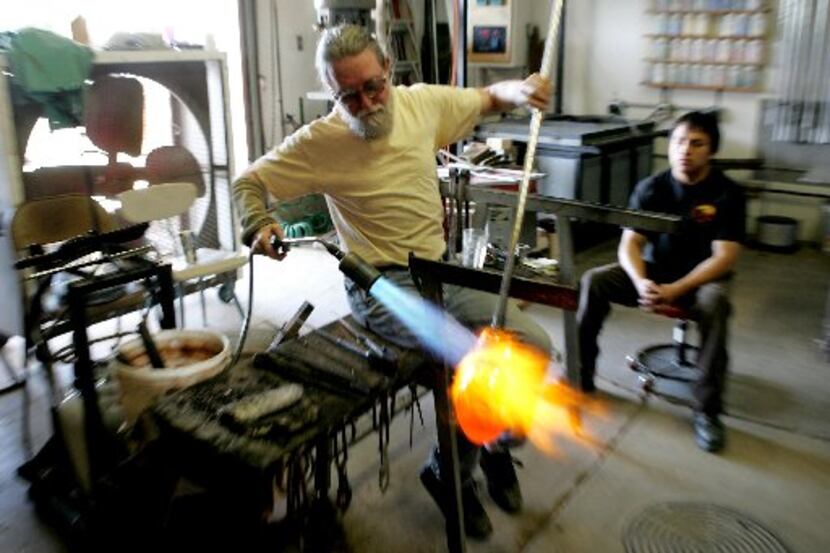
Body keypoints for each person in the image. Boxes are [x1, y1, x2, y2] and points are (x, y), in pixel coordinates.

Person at [232, 24, 553, 539]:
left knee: (534, 345)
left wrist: (520, 90)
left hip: (439, 272)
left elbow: (490, 97)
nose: (366, 103)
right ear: (332, 93)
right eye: (348, 96)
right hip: (379, 286)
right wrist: (258, 222)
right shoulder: (321, 141)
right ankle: (449, 475)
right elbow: (248, 181)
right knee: (470, 360)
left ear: (388, 71)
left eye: (373, 87)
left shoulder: (421, 104)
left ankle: (490, 444)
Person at [576, 111, 746, 453]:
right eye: (679, 141)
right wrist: (641, 282)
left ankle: (707, 412)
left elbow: (724, 257)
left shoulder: (727, 193)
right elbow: (630, 244)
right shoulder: (651, 188)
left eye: (697, 143)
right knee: (595, 280)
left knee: (716, 303)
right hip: (656, 271)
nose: (685, 150)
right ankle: (581, 377)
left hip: (701, 279)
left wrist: (675, 290)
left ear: (711, 150)